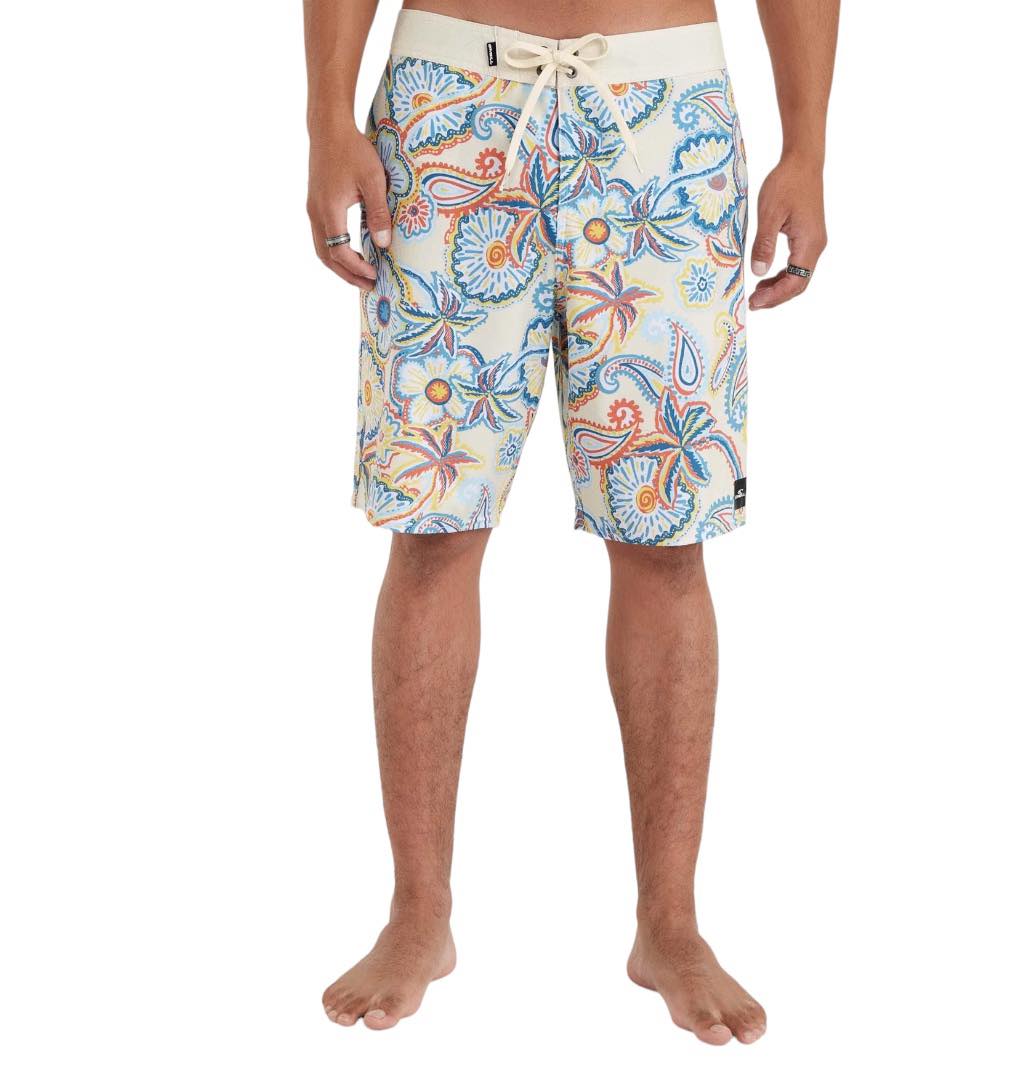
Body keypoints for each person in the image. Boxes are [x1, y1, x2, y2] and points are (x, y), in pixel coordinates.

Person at [304, 0, 838, 1045]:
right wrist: (327, 118)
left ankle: (669, 924)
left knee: (666, 539)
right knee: (433, 529)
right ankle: (418, 911)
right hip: (449, 106)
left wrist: (808, 145)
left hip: (664, 113)